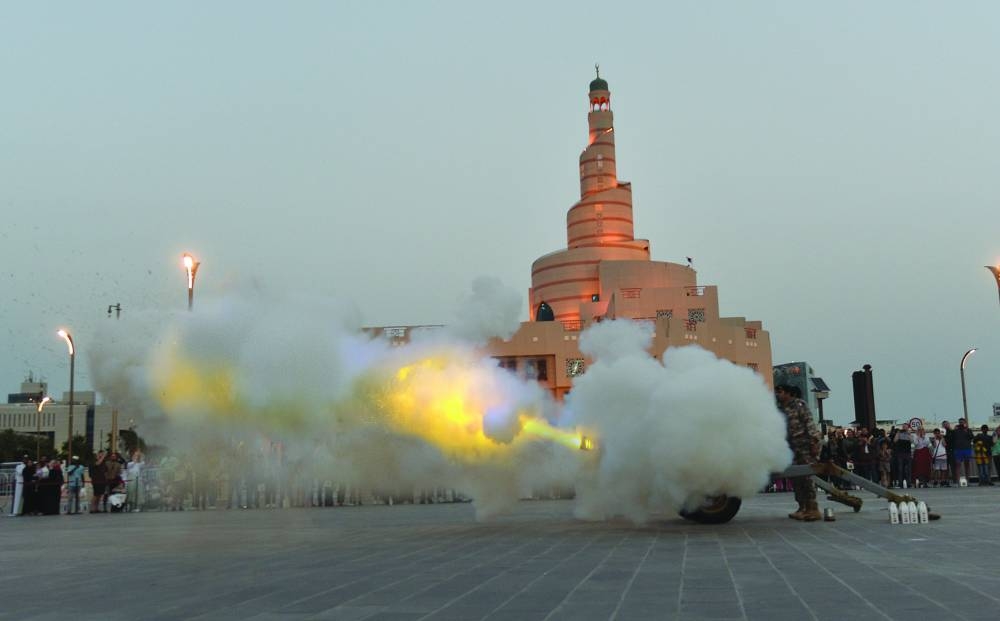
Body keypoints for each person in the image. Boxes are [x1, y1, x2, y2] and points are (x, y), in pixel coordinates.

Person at [775, 384, 821, 521]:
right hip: (791, 448)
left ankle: (813, 509)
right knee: (796, 479)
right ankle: (802, 507)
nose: (777, 394)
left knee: (807, 478)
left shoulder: (800, 405)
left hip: (805, 446)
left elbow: (809, 423)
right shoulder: (781, 409)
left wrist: (814, 442)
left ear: (788, 393)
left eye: (780, 391)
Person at [951, 419, 975, 484]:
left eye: (962, 422)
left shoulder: (968, 430)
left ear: (965, 423)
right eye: (960, 422)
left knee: (967, 464)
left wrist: (966, 430)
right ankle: (958, 481)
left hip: (967, 449)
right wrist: (954, 429)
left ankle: (968, 480)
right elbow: (951, 438)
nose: (961, 424)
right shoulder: (955, 430)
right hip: (958, 449)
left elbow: (972, 437)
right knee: (958, 464)